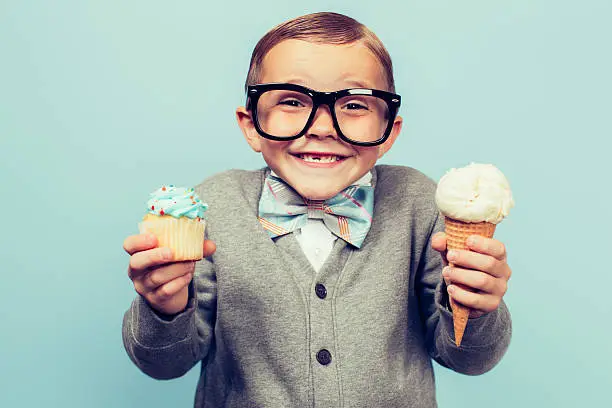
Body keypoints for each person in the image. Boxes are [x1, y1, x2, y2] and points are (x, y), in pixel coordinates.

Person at [122, 12, 512, 407]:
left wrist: (477, 309)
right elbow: (163, 365)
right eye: (292, 100)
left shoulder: (417, 203)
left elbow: (468, 359)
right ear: (251, 125)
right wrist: (164, 308)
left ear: (389, 131)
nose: (323, 127)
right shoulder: (215, 207)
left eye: (355, 104)